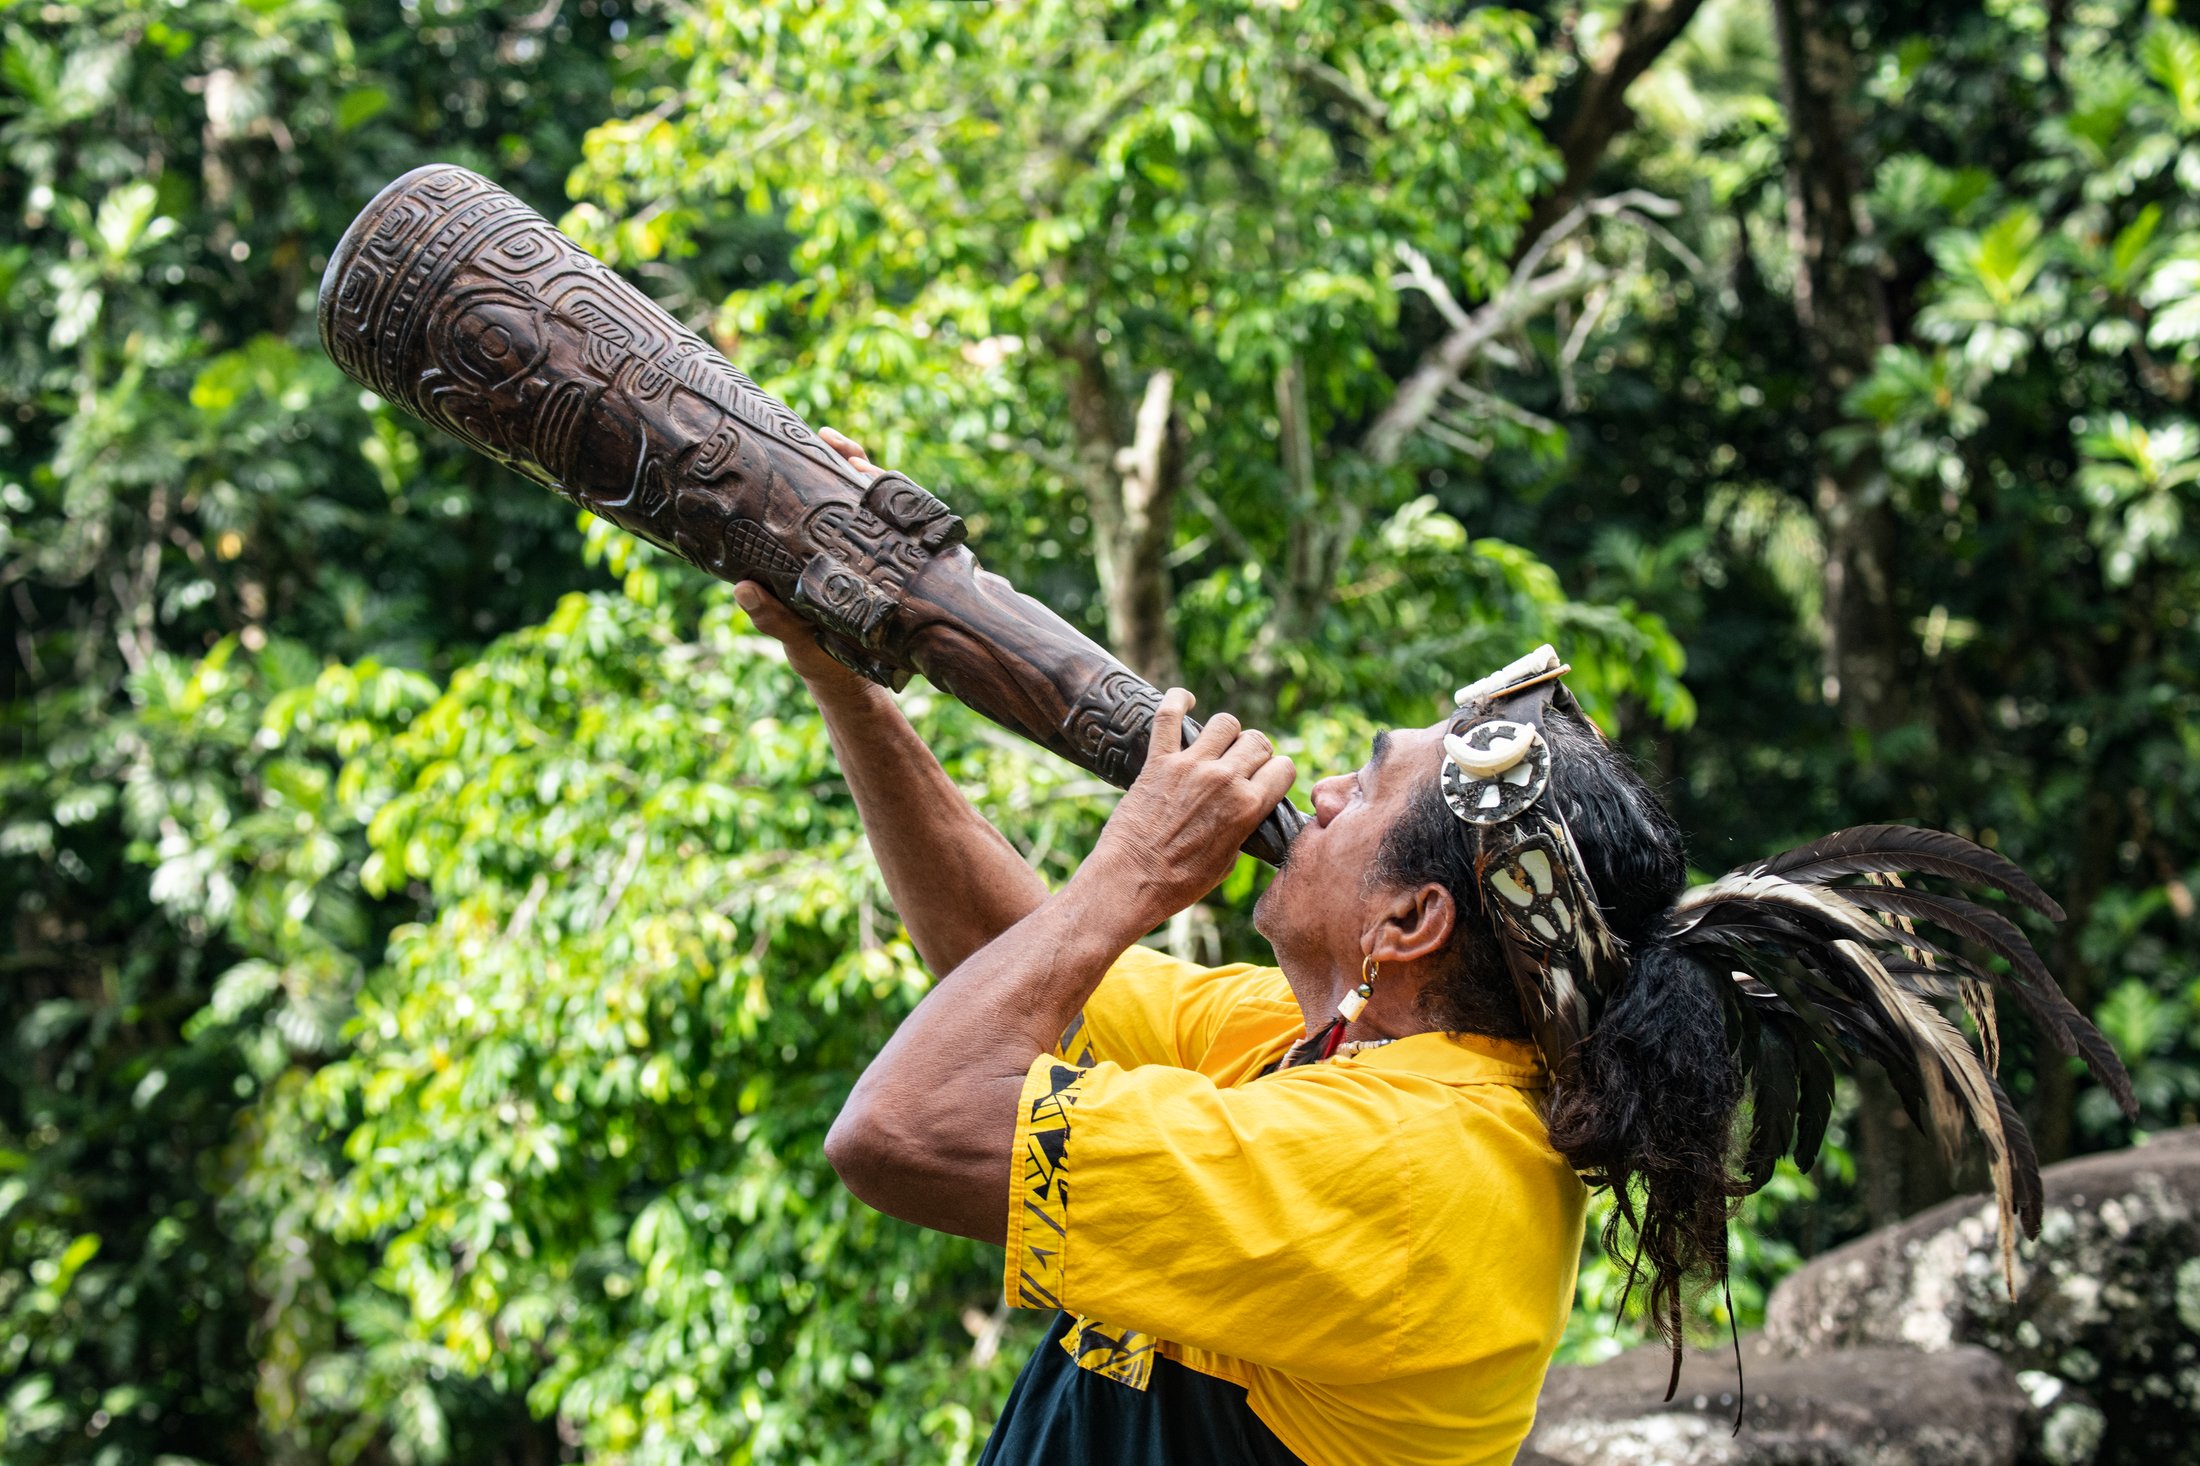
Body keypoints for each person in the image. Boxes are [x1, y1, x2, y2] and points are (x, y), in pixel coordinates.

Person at [733, 431, 2133, 1466]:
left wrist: (1129, 875)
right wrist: (848, 683)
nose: (1318, 792)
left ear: (1411, 923)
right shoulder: (1341, 1050)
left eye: (1363, 782)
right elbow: (1010, 959)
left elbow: (900, 1129)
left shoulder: (1408, 1171)